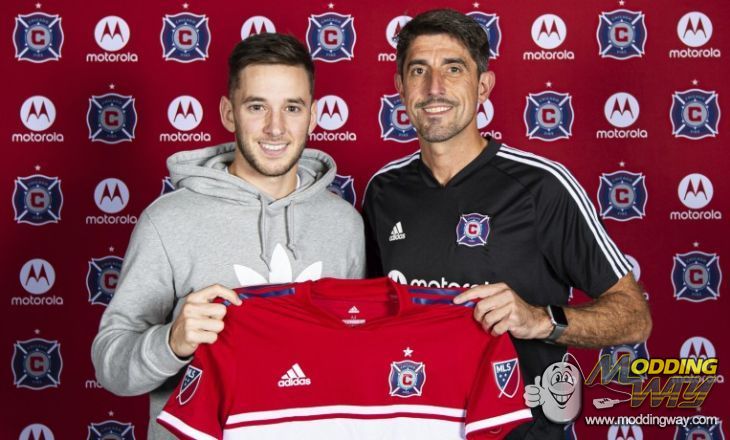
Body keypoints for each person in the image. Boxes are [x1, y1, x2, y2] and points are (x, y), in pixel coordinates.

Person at [362, 9, 651, 439]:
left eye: (453, 69)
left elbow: (634, 317)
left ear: (483, 86)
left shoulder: (541, 186)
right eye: (418, 70)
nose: (434, 87)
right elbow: (366, 316)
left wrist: (539, 320)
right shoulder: (382, 191)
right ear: (400, 87)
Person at [92, 33, 365, 440]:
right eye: (257, 107)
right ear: (228, 113)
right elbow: (110, 367)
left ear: (312, 116)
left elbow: (355, 356)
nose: (275, 127)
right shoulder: (167, 222)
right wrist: (170, 342)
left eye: (292, 108)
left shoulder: (344, 224)